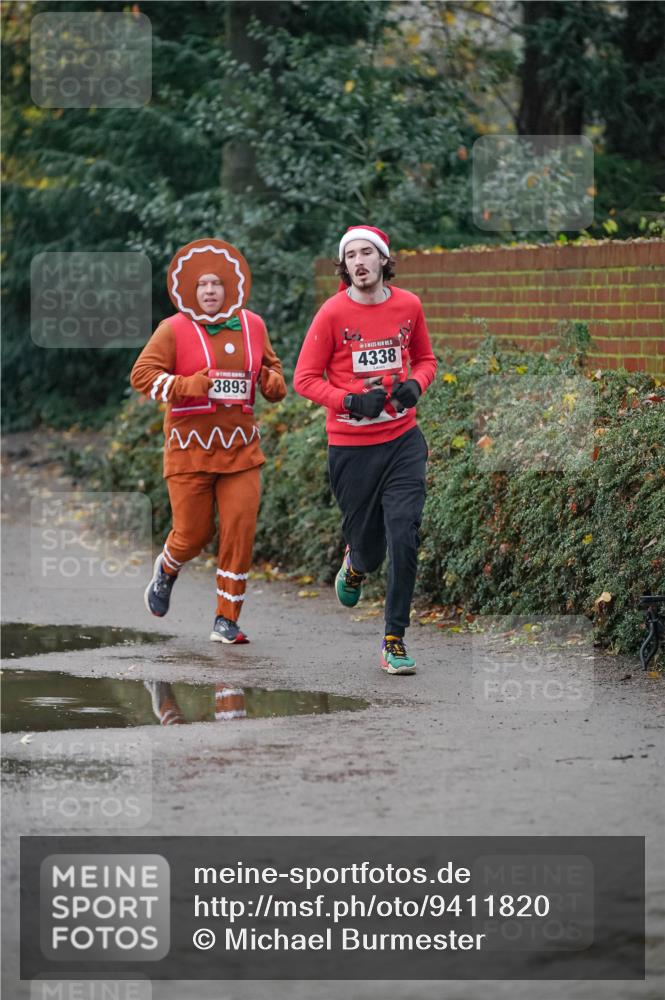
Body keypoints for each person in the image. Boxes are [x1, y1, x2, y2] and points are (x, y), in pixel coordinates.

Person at [293, 225, 437, 674]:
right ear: (345, 266)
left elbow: (427, 359)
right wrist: (350, 400)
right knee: (373, 551)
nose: (359, 261)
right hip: (352, 449)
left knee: (404, 533)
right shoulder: (332, 314)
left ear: (382, 260)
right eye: (351, 255)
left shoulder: (408, 305)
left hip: (403, 442)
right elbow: (305, 379)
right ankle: (355, 563)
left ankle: (394, 639)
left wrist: (417, 384)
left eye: (367, 253)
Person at [130, 237, 286, 643]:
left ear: (230, 287)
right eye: (203, 285)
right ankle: (167, 568)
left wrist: (272, 382)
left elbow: (273, 372)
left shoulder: (253, 325)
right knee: (194, 534)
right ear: (191, 290)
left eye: (217, 283)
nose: (211, 291)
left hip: (241, 448)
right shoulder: (173, 329)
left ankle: (226, 619)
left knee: (240, 527)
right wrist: (189, 385)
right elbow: (142, 377)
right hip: (189, 450)